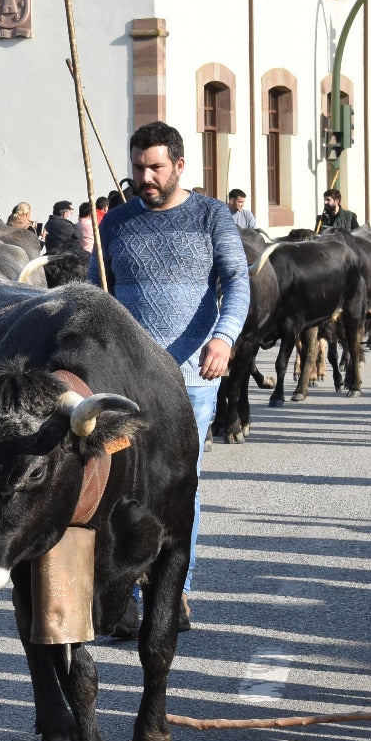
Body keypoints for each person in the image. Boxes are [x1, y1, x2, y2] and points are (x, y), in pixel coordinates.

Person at [92, 121, 249, 634]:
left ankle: (173, 588)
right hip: (126, 378)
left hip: (192, 378)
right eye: (138, 167)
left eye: (155, 167)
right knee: (116, 484)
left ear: (179, 166)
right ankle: (121, 592)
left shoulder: (212, 217)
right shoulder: (113, 224)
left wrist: (223, 338)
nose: (145, 177)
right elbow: (98, 297)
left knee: (179, 485)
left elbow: (237, 282)